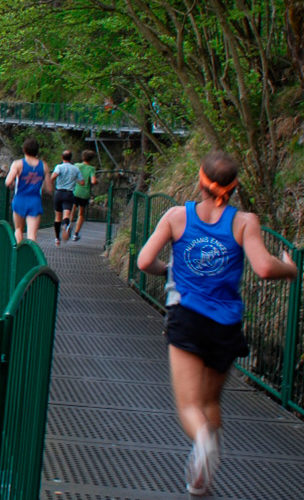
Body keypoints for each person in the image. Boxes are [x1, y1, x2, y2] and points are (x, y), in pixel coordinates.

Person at [137, 151, 296, 496]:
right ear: (234, 188)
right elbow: (265, 268)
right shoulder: (244, 222)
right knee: (210, 402)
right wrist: (291, 268)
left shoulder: (177, 216)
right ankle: (204, 479)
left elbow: (144, 261)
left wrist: (170, 270)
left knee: (189, 406)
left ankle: (203, 444)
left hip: (188, 317)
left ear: (200, 181)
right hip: (226, 323)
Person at [5, 138, 51, 243]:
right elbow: (49, 188)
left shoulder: (18, 164)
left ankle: (19, 255)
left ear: (24, 149)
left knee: (18, 230)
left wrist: (13, 184)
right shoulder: (43, 166)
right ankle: (30, 256)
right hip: (35, 201)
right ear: (37, 151)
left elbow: (8, 182)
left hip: (20, 199)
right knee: (32, 235)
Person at [50, 150, 82, 245]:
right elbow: (82, 182)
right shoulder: (75, 169)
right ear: (71, 158)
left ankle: (57, 239)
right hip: (69, 194)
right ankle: (65, 225)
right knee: (66, 215)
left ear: (62, 157)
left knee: (57, 217)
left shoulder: (59, 167)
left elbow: (53, 177)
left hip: (59, 193)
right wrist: (74, 179)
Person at [70, 150, 99, 241]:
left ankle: (68, 227)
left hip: (74, 191)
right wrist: (97, 181)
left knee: (72, 210)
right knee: (81, 214)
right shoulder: (91, 168)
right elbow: (93, 181)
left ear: (82, 157)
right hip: (84, 194)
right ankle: (76, 234)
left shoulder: (76, 165)